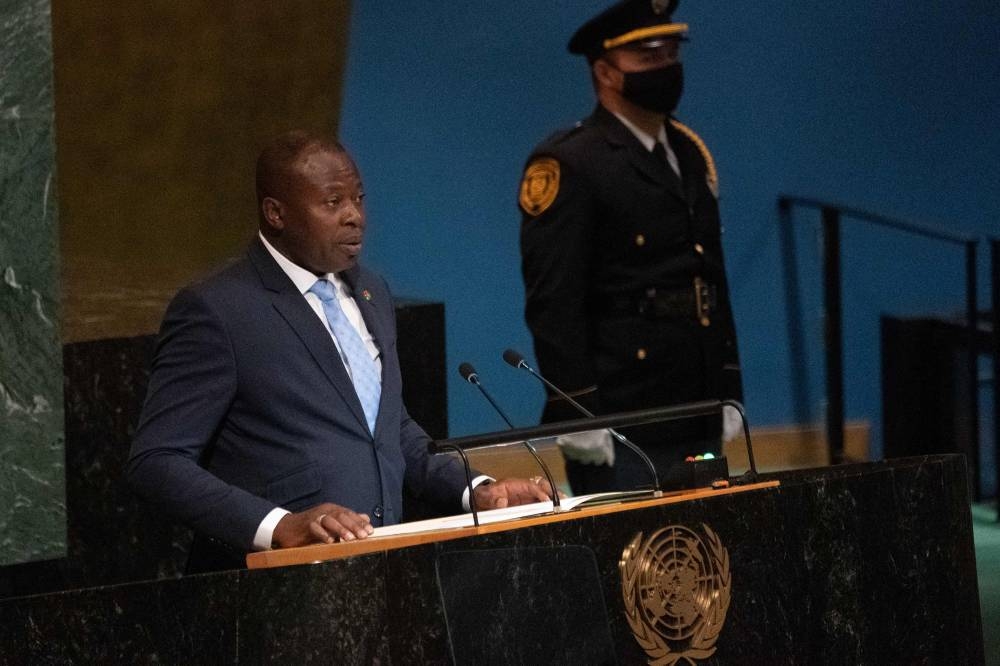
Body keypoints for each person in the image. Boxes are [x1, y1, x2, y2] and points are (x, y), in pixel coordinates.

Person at [128, 130, 551, 572]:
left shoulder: (371, 291)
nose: (355, 217)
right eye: (333, 203)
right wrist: (279, 526)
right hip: (272, 589)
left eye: (359, 199)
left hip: (381, 574)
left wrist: (477, 488)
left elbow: (390, 429)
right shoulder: (219, 310)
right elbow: (156, 462)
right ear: (275, 213)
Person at [518, 0, 743, 494]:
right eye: (647, 58)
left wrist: (729, 390)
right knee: (633, 561)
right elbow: (554, 304)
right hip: (623, 410)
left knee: (704, 551)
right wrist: (577, 414)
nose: (665, 68)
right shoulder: (572, 162)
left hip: (696, 396)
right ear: (606, 72)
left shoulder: (687, 151)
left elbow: (710, 279)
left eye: (670, 54)